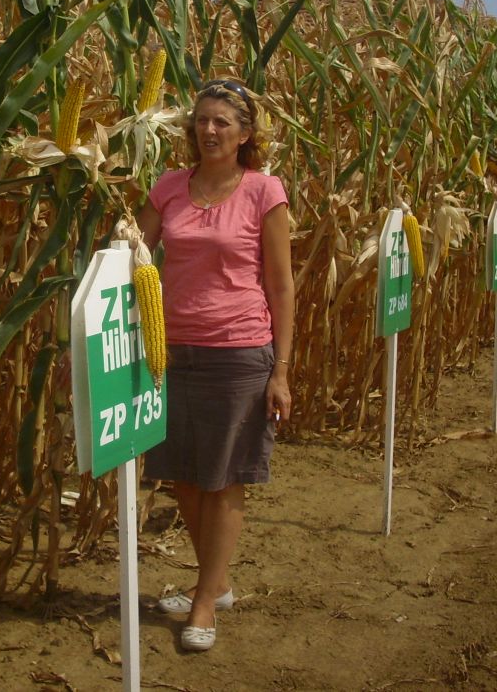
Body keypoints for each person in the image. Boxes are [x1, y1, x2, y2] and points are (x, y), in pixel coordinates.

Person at [135, 77, 294, 653]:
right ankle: (217, 582)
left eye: (222, 122)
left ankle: (205, 601)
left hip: (239, 352)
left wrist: (280, 370)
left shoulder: (263, 191)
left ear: (245, 133)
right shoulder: (169, 187)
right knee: (184, 474)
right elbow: (135, 250)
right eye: (201, 120)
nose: (209, 130)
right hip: (171, 351)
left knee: (225, 478)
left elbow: (281, 284)